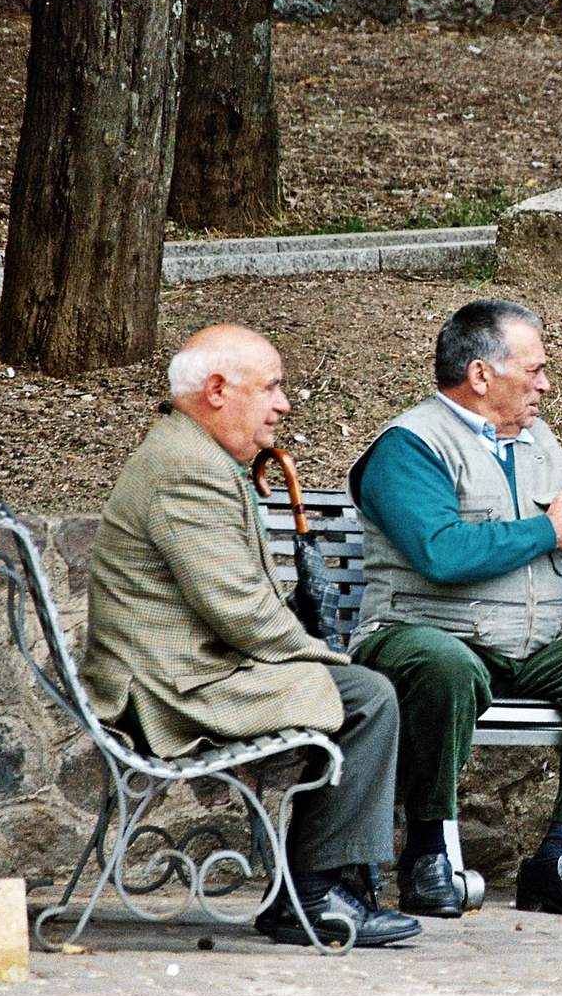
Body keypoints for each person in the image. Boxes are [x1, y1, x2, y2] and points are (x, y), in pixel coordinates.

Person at [83, 324, 420, 947]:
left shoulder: (193, 454)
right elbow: (239, 611)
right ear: (217, 389)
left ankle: (318, 888)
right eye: (272, 388)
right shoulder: (188, 468)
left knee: (356, 688)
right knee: (367, 696)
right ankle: (313, 896)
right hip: (169, 691)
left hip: (185, 668)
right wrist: (324, 658)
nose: (283, 404)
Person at [348, 299, 562, 920]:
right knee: (443, 666)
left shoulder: (540, 443)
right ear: (481, 375)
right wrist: (547, 532)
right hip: (419, 634)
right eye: (535, 369)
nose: (546, 384)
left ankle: (558, 858)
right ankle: (429, 851)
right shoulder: (408, 447)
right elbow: (439, 553)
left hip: (527, 645)